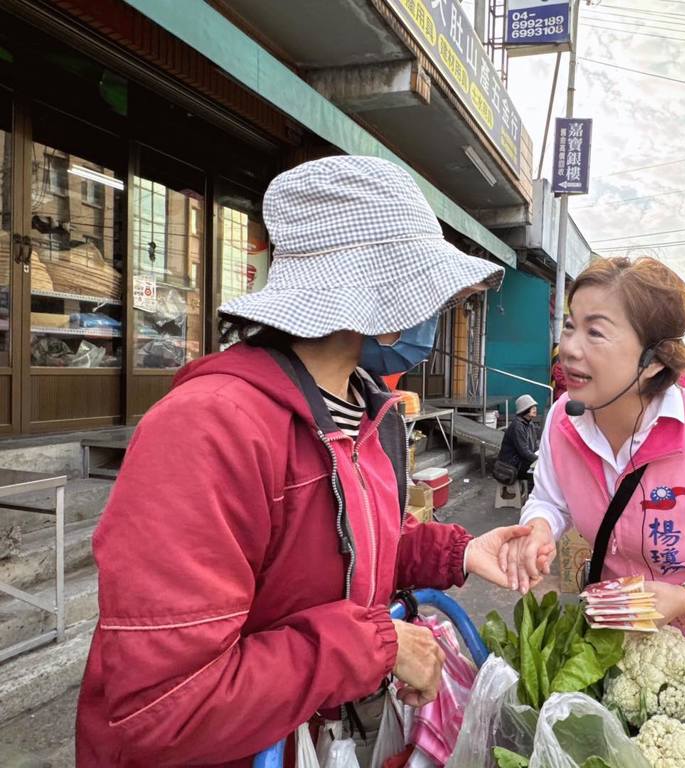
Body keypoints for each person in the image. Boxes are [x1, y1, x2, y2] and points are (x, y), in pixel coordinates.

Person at [75, 156, 532, 766]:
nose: (436, 309)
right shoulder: (208, 428)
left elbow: (345, 548)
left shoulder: (368, 411)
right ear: (373, 290)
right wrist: (377, 647)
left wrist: (456, 553)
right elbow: (166, 706)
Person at [506, 257, 685, 653]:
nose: (569, 349)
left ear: (654, 361)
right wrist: (540, 528)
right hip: (619, 643)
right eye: (571, 326)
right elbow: (548, 499)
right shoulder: (563, 418)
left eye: (595, 333)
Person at [497, 394, 542, 481]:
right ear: (524, 409)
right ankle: (530, 493)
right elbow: (524, 452)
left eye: (535, 407)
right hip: (512, 465)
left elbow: (535, 445)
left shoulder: (530, 424)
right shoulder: (517, 426)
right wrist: (540, 460)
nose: (535, 409)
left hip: (522, 460)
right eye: (532, 407)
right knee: (538, 474)